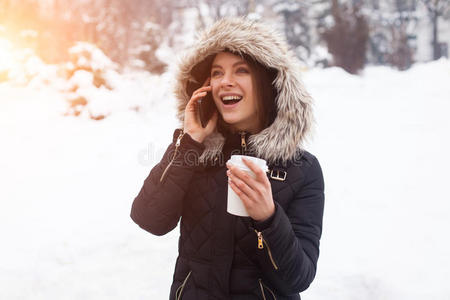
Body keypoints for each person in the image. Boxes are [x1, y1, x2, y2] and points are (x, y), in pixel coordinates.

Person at [130, 17, 325, 300]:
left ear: (268, 82)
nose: (225, 82)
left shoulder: (301, 169)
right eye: (217, 73)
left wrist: (268, 219)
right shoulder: (196, 153)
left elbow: (299, 276)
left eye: (241, 70)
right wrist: (189, 142)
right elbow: (149, 218)